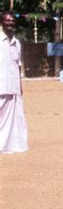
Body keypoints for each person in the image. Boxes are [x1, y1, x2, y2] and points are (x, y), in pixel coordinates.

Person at [0, 11, 28, 154]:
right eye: (7, 21)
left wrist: (20, 86)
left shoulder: (16, 43)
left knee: (12, 120)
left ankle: (9, 145)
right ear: (1, 23)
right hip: (1, 86)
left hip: (13, 87)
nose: (10, 23)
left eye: (12, 21)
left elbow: (18, 65)